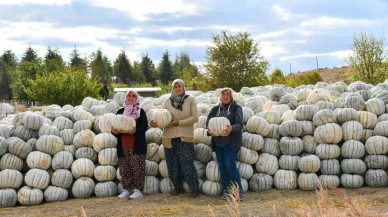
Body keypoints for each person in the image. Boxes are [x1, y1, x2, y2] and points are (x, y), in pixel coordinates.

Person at [150, 79, 200, 198]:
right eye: (175, 86)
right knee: (172, 164)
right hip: (169, 137)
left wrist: (179, 123)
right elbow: (162, 118)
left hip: (185, 136)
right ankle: (177, 187)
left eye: (179, 86)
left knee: (186, 163)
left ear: (183, 87)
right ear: (173, 89)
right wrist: (155, 123)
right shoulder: (168, 101)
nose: (177, 88)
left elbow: (195, 118)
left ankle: (194, 189)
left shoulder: (190, 100)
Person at [205, 87, 244, 201]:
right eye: (223, 94)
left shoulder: (236, 108)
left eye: (228, 94)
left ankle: (239, 191)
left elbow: (239, 124)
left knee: (229, 165)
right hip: (218, 143)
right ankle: (227, 190)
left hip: (231, 143)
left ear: (231, 96)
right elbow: (208, 124)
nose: (226, 96)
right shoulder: (215, 109)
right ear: (220, 96)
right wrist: (209, 131)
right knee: (222, 166)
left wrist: (232, 128)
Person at [112, 89, 148, 199]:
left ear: (136, 98)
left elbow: (144, 127)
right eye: (129, 95)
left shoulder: (140, 112)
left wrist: (135, 131)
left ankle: (138, 190)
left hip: (136, 146)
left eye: (133, 96)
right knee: (124, 168)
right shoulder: (120, 112)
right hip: (123, 145)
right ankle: (126, 189)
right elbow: (114, 128)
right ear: (126, 97)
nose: (131, 97)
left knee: (137, 168)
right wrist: (114, 131)